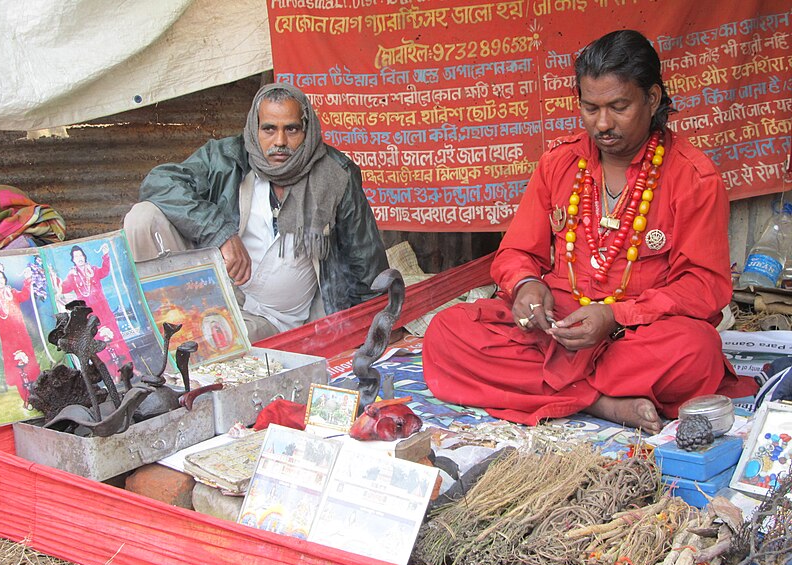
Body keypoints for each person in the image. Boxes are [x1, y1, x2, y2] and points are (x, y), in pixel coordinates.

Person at [423, 30, 743, 435]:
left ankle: (552, 393)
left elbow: (704, 287)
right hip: (557, 330)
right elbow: (516, 253)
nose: (603, 124)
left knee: (697, 353)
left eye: (618, 106)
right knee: (446, 333)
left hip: (635, 335)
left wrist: (615, 315)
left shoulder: (694, 177)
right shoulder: (559, 164)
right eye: (590, 108)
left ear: (653, 98)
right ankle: (601, 403)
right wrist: (525, 286)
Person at [124, 83, 389, 342]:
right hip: (214, 295)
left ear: (307, 130)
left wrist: (379, 329)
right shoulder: (226, 159)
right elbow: (159, 182)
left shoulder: (336, 175)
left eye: (292, 129)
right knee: (143, 217)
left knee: (209, 344)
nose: (280, 141)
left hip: (274, 320)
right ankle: (166, 319)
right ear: (254, 128)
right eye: (269, 129)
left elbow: (365, 261)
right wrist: (220, 233)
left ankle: (184, 336)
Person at [54, 244, 133, 374]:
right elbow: (63, 288)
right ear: (73, 260)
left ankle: (129, 367)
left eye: (80, 255)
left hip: (104, 310)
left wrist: (106, 255)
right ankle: (113, 373)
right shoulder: (72, 276)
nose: (79, 258)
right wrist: (54, 277)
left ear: (84, 257)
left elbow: (105, 271)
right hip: (89, 314)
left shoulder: (93, 270)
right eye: (76, 256)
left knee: (115, 336)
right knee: (98, 340)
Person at [0, 264, 41, 405]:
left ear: (5, 279)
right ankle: (26, 399)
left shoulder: (12, 293)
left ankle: (39, 393)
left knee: (30, 363)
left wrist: (27, 279)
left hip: (22, 336)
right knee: (17, 367)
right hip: (8, 340)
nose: (0, 281)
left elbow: (25, 295)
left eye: (1, 278)